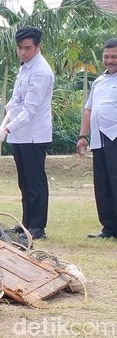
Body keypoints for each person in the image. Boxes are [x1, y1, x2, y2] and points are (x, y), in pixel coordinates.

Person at [0, 26, 54, 240]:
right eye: (20, 48)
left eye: (27, 48)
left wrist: (6, 129)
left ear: (38, 46)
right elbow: (19, 97)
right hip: (20, 134)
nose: (23, 52)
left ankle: (38, 226)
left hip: (34, 135)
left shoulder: (40, 71)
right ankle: (26, 222)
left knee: (35, 182)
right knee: (24, 181)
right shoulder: (25, 67)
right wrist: (10, 105)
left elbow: (30, 110)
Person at [77, 38, 117, 239]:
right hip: (99, 139)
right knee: (102, 183)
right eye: (106, 57)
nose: (110, 60)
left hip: (115, 136)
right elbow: (88, 110)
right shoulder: (99, 81)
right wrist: (83, 136)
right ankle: (109, 227)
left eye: (114, 57)